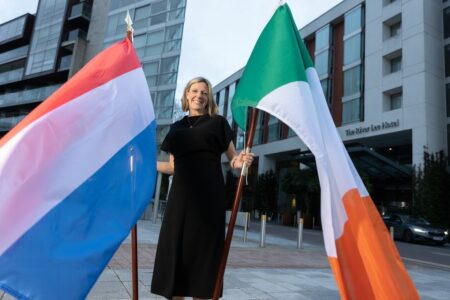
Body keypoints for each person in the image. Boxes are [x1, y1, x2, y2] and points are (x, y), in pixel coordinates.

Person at [151, 77, 254, 300]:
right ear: (187, 95)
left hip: (209, 197)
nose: (199, 95)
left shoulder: (217, 122)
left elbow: (233, 160)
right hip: (180, 198)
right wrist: (144, 165)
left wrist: (242, 160)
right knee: (176, 252)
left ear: (209, 99)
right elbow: (171, 166)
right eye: (195, 91)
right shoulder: (176, 128)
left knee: (204, 255)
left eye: (204, 92)